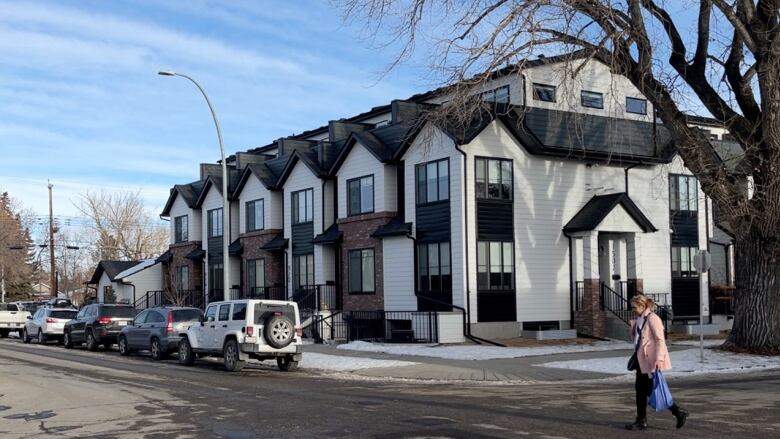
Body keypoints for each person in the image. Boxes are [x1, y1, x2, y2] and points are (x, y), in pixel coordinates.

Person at [625, 294, 688, 431]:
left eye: (634, 307)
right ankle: (644, 419)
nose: (633, 310)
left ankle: (677, 412)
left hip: (650, 361)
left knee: (649, 390)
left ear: (643, 305)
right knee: (642, 390)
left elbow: (660, 340)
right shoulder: (640, 318)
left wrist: (659, 359)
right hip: (641, 360)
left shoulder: (653, 319)